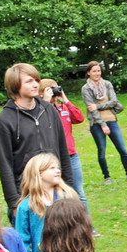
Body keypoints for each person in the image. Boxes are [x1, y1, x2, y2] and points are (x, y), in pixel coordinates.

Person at [0, 63, 73, 224]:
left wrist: (69, 188)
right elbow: (4, 164)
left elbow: (63, 151)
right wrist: (14, 202)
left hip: (56, 192)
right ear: (15, 85)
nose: (36, 84)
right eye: (29, 81)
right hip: (27, 195)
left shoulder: (49, 110)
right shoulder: (3, 121)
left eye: (36, 80)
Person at [40, 80, 93, 224]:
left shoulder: (63, 108)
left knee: (78, 192)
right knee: (55, 193)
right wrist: (45, 103)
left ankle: (86, 225)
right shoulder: (40, 111)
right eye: (49, 90)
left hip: (71, 155)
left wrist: (66, 100)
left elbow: (79, 118)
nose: (53, 93)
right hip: (51, 159)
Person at [81, 61, 127, 185]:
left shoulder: (107, 84)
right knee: (102, 152)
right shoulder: (86, 89)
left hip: (112, 120)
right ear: (88, 73)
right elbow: (92, 110)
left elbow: (114, 101)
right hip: (97, 123)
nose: (97, 73)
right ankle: (107, 177)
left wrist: (98, 106)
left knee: (123, 150)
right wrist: (103, 124)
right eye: (94, 71)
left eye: (98, 71)